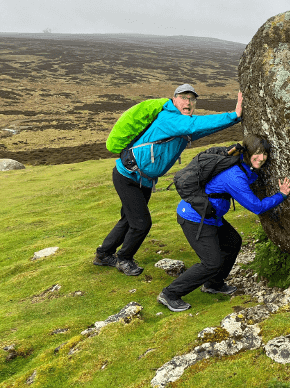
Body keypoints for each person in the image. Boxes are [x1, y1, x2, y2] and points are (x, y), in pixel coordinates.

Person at [93, 84, 243, 276]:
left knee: (129, 219)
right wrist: (233, 115)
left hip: (143, 180)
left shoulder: (181, 124)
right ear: (174, 99)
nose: (188, 102)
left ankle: (103, 254)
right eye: (184, 98)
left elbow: (203, 129)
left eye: (192, 99)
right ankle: (124, 259)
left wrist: (234, 120)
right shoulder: (169, 119)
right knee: (141, 223)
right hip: (128, 176)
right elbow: (193, 125)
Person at [157, 134, 290, 312]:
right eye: (257, 154)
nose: (262, 158)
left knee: (232, 242)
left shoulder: (242, 165)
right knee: (210, 262)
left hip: (211, 217)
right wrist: (280, 195)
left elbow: (248, 178)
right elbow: (256, 207)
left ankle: (213, 284)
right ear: (248, 153)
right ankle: (170, 294)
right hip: (194, 218)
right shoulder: (235, 176)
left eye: (265, 154)